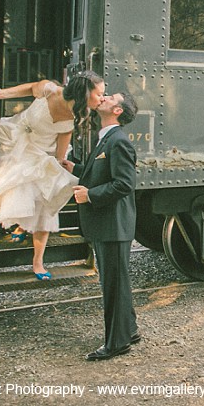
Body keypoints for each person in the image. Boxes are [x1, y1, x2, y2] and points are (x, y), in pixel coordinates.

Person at [0, 72, 105, 280]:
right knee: (19, 188)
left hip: (41, 154)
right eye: (99, 93)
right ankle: (21, 226)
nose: (102, 97)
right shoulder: (50, 90)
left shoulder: (76, 116)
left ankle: (38, 261)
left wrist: (57, 169)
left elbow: (60, 153)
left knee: (47, 202)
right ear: (85, 93)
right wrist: (0, 94)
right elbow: (29, 88)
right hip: (17, 142)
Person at [67, 91, 140, 361]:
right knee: (117, 281)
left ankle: (116, 343)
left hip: (113, 224)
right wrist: (74, 168)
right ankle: (129, 331)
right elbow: (100, 172)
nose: (104, 97)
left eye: (110, 97)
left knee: (113, 284)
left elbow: (124, 184)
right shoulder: (106, 138)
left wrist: (90, 195)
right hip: (108, 224)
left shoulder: (118, 141)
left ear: (117, 111)